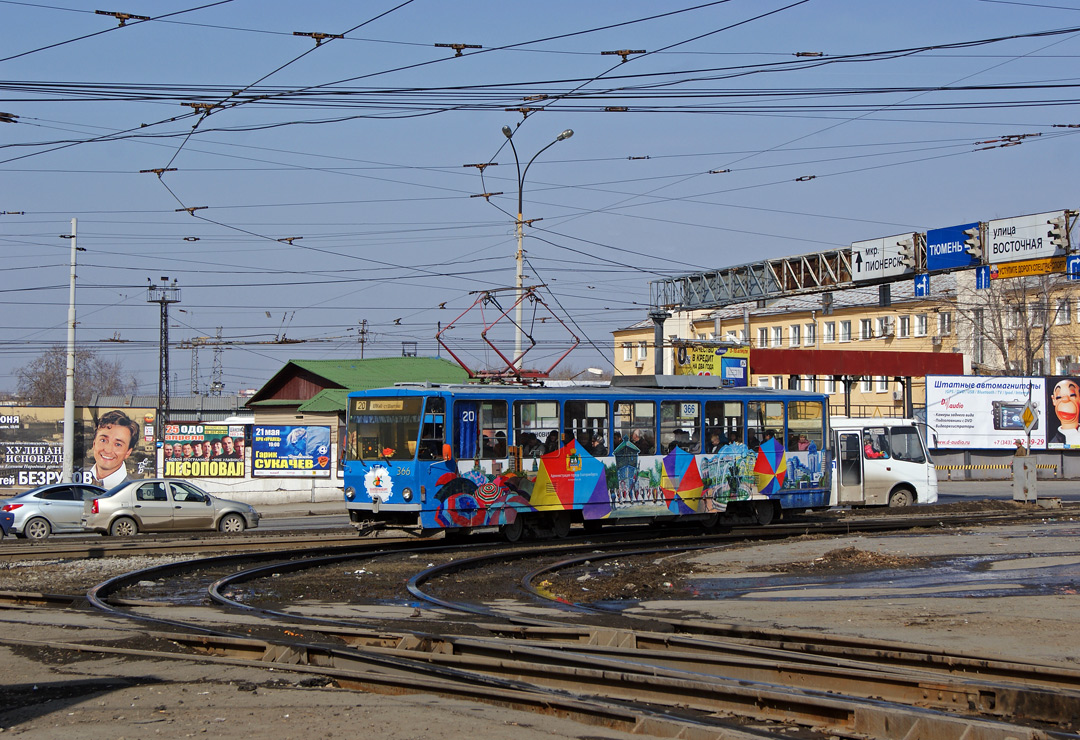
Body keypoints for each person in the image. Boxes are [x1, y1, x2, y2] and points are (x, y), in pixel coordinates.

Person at [88, 409, 140, 489]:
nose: (108, 450)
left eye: (118, 444)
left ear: (128, 452)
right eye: (103, 440)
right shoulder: (75, 478)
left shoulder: (133, 490)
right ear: (94, 443)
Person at [1049, 378, 1080, 446]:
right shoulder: (1054, 443)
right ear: (1053, 400)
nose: (1065, 399)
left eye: (1072, 395)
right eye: (1059, 397)